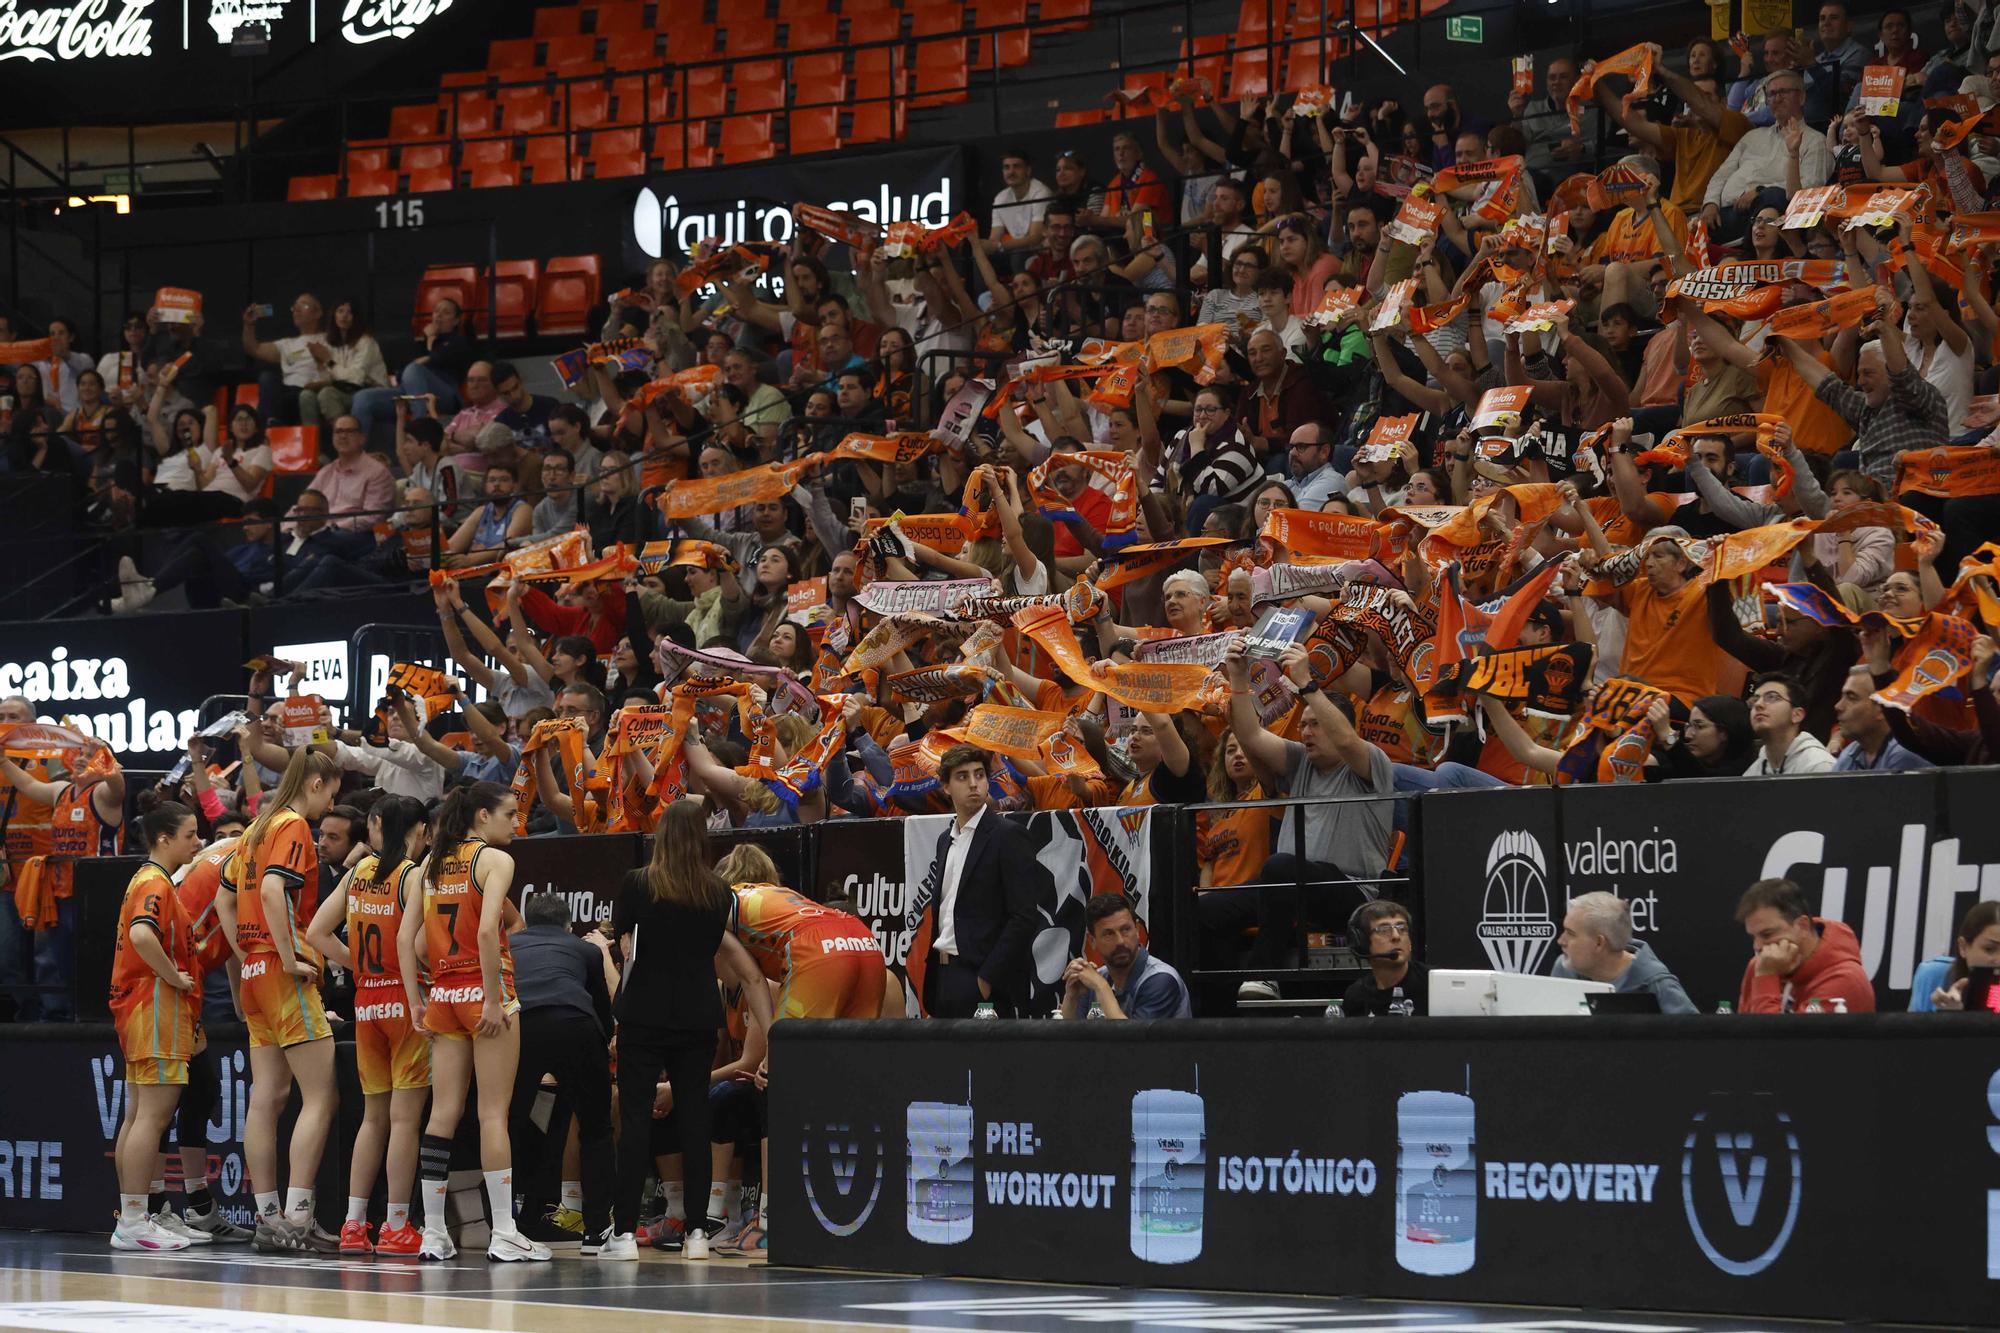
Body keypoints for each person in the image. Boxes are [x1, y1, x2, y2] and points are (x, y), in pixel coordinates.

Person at [605, 800, 773, 1261]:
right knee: (695, 1120)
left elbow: (625, 946)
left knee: (636, 1118)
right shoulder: (718, 893)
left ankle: (622, 1235)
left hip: (642, 1013)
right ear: (702, 839)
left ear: (660, 836)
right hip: (698, 1015)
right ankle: (698, 1232)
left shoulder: (636, 883)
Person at [397, 781, 548, 1262]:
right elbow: (488, 929)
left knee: (442, 1115)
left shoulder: (429, 864)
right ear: (482, 816)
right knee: (492, 1114)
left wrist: (416, 1001)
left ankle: (435, 1233)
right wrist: (489, 999)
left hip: (441, 992)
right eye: (509, 813)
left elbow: (410, 943)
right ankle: (504, 1231)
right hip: (486, 991)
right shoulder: (495, 860)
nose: (515, 823)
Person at [1220, 637, 1394, 1001]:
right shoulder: (1302, 761)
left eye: (1316, 724)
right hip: (1287, 887)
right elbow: (1250, 735)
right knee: (1205, 908)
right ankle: (1203, 1003)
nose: (1306, 731)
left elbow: (1347, 741)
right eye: (1304, 724)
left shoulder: (1369, 762)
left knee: (1281, 867)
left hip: (1350, 894)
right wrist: (1238, 679)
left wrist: (1308, 685)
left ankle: (1265, 975)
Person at [222, 748, 343, 1254]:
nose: (329, 805)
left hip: (253, 970)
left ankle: (268, 1217)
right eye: (331, 793)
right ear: (315, 783)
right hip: (280, 969)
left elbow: (223, 900)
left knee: (266, 1099)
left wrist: (247, 955)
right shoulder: (292, 825)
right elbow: (274, 892)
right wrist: (291, 955)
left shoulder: (254, 829)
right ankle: (296, 1218)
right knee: (321, 1096)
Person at [303, 795, 431, 1258]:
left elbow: (316, 932)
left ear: (376, 826)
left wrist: (356, 965)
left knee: (372, 1118)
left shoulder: (358, 873)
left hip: (367, 1002)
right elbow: (411, 942)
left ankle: (354, 1224)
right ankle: (397, 1224)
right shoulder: (412, 874)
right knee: (404, 1120)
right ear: (419, 831)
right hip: (402, 998)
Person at [107, 802, 205, 1252]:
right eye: (190, 834)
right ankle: (132, 1221)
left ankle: (133, 1215)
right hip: (155, 1005)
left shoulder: (146, 880)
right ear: (164, 839)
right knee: (152, 1116)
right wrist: (174, 976)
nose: (197, 841)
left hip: (138, 1008)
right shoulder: (155, 883)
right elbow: (145, 936)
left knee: (137, 1116)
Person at [504, 891, 615, 1255]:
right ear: (568, 925)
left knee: (507, 1124)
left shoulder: (510, 944)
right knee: (596, 1128)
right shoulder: (585, 950)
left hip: (522, 1026)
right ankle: (597, 1231)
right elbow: (601, 1007)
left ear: (528, 922)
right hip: (575, 1024)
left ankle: (506, 1225)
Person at [921, 745, 1051, 1018]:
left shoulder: (1007, 835)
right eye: (962, 776)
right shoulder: (946, 839)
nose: (973, 784)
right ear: (945, 787)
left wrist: (987, 978)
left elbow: (1024, 916)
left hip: (980, 977)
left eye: (979, 775)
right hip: (943, 975)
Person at [1734, 877, 1876, 1012]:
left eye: (1767, 934)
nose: (1757, 946)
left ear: (1802, 926)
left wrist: (1766, 978)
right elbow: (1743, 1036)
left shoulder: (1846, 981)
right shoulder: (1760, 966)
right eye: (1754, 937)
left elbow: (1769, 1036)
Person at [1552, 892, 1696, 1012]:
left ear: (1599, 943)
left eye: (1571, 933)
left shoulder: (1657, 986)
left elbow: (1695, 1039)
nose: (1561, 941)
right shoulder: (1564, 970)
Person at [1058, 892, 1189, 1020]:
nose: (1120, 941)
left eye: (1126, 929)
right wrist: (1071, 997)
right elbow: (1069, 1038)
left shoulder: (1161, 979)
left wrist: (1102, 987)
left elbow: (1132, 1039)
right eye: (1109, 934)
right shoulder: (1096, 979)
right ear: (1092, 941)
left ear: (1137, 930)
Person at [242, 295, 328, 425]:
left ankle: (260, 428)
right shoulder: (287, 344)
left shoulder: (330, 339)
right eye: (294, 307)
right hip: (288, 393)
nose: (297, 310)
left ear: (318, 313)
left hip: (312, 392)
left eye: (304, 306)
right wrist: (249, 325)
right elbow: (254, 349)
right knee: (267, 377)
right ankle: (271, 423)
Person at [1832, 665, 1933, 771]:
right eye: (1842, 696)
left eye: (1851, 698)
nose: (1838, 706)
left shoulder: (1904, 755)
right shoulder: (1851, 753)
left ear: (1882, 708)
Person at [1340, 899, 1428, 1017]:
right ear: (1363, 942)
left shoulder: (1433, 985)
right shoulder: (1356, 996)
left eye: (1402, 929)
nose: (1396, 936)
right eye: (1384, 930)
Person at [1910, 900, 2000, 1011]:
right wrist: (1944, 1019)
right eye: (1989, 949)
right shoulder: (1933, 975)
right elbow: (1909, 1027)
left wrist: (1957, 1020)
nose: (1998, 960)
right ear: (1963, 947)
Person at [1743, 673, 1837, 775]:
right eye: (1755, 700)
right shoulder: (1752, 772)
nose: (1758, 704)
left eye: (1772, 697)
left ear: (1797, 715)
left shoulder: (1819, 766)